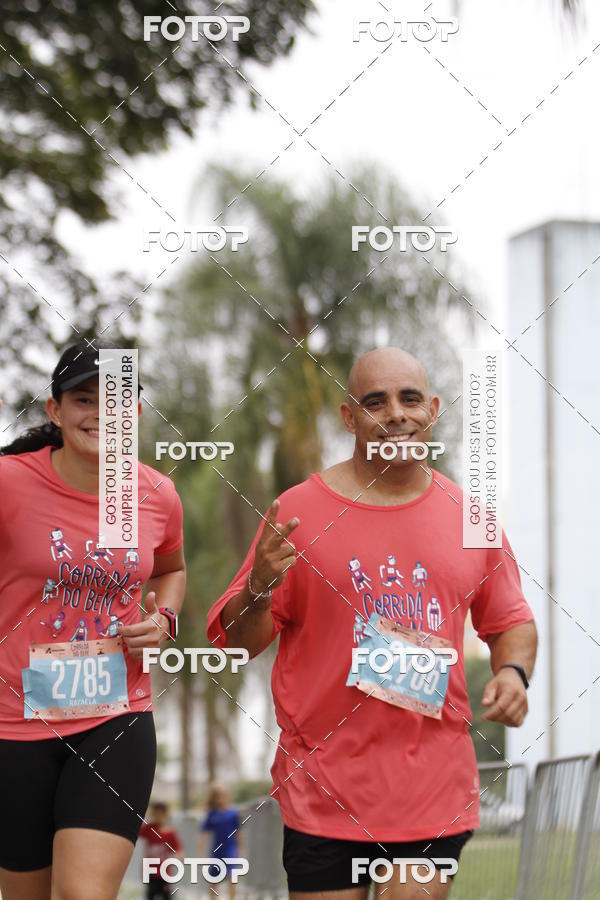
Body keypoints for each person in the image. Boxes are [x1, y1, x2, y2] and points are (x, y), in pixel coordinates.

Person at [207, 347, 537, 899]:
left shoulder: (472, 519)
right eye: (375, 401)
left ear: (432, 409)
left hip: (431, 785)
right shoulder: (299, 511)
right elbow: (234, 644)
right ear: (350, 418)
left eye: (410, 399)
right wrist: (259, 587)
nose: (396, 414)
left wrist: (513, 673)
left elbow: (511, 621)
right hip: (323, 789)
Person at [0, 340, 186, 900]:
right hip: (14, 724)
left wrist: (166, 619)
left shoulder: (157, 494)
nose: (103, 414)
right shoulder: (9, 484)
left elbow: (172, 570)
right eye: (85, 399)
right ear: (55, 411)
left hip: (116, 716)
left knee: (83, 895)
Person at [198, 783, 244, 900]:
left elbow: (239, 833)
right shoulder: (211, 814)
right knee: (213, 880)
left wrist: (241, 850)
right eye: (216, 795)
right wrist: (202, 854)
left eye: (221, 795)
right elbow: (204, 835)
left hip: (231, 850)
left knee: (232, 877)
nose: (219, 797)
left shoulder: (233, 813)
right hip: (217, 851)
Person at [138, 801, 184, 899]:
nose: (158, 817)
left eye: (161, 814)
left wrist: (178, 858)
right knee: (150, 894)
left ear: (166, 814)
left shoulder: (170, 833)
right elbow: (137, 831)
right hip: (150, 872)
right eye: (156, 814)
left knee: (166, 896)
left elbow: (178, 850)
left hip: (164, 872)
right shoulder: (149, 828)